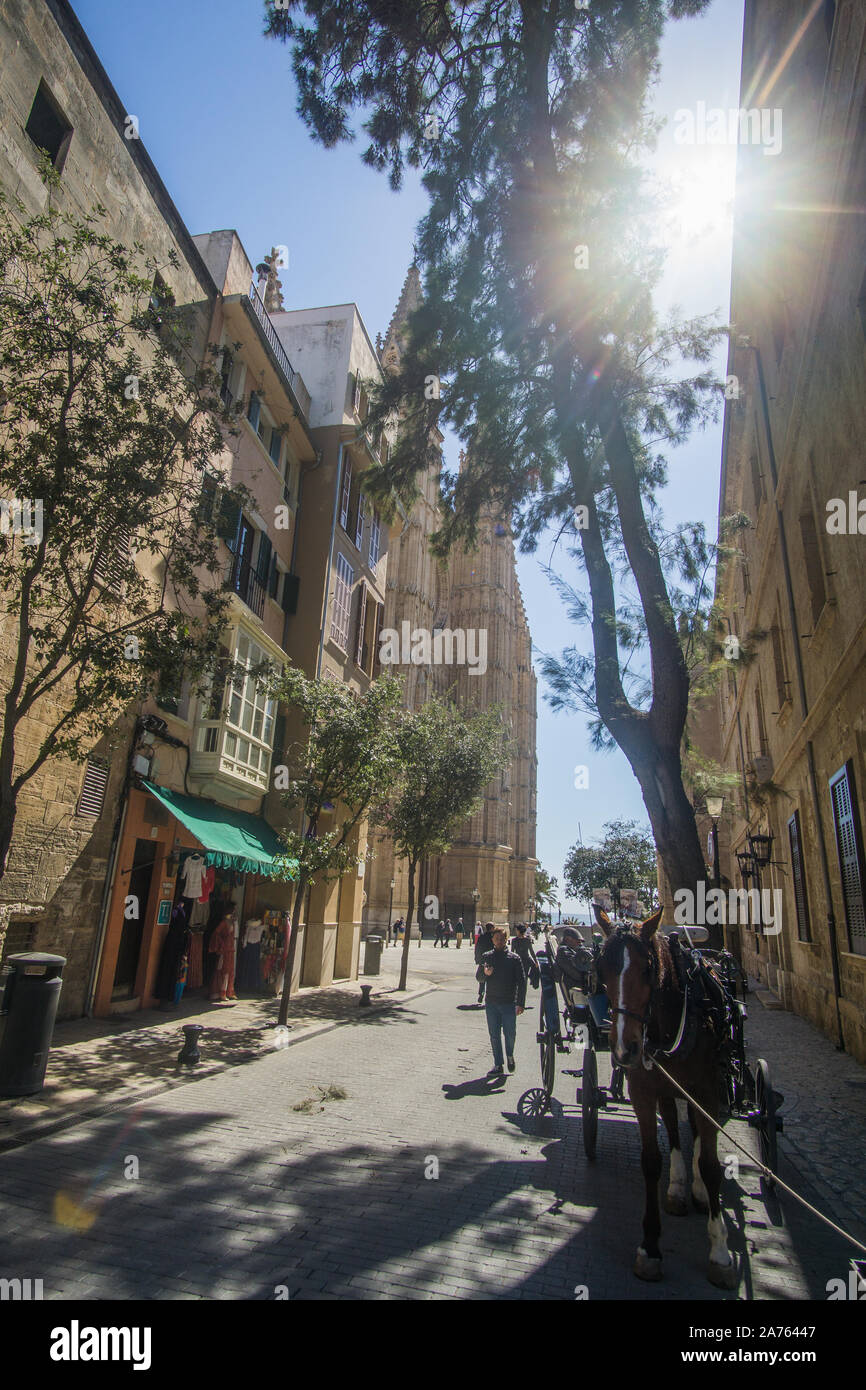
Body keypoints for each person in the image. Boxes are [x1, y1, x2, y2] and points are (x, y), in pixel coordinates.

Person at [479, 927, 526, 1075]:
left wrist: (520, 1003)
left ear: (506, 940)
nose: (499, 941)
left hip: (508, 1003)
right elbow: (479, 978)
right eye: (496, 938)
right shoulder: (487, 956)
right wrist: (485, 974)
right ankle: (498, 1064)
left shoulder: (514, 959)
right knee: (494, 1035)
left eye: (502, 939)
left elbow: (522, 982)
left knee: (510, 1033)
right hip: (491, 1002)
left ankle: (510, 1055)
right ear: (492, 940)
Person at [510, 922, 540, 989]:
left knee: (517, 978)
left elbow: (512, 952)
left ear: (518, 931)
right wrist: (535, 961)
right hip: (526, 961)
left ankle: (518, 995)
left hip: (517, 961)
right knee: (525, 978)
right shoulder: (527, 940)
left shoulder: (514, 940)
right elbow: (531, 952)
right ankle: (522, 995)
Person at [474, 921, 497, 1004]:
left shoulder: (481, 936)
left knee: (482, 978)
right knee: (491, 979)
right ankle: (489, 996)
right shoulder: (493, 937)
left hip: (483, 960)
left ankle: (481, 993)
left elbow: (477, 948)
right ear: (491, 928)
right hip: (492, 960)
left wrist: (477, 958)